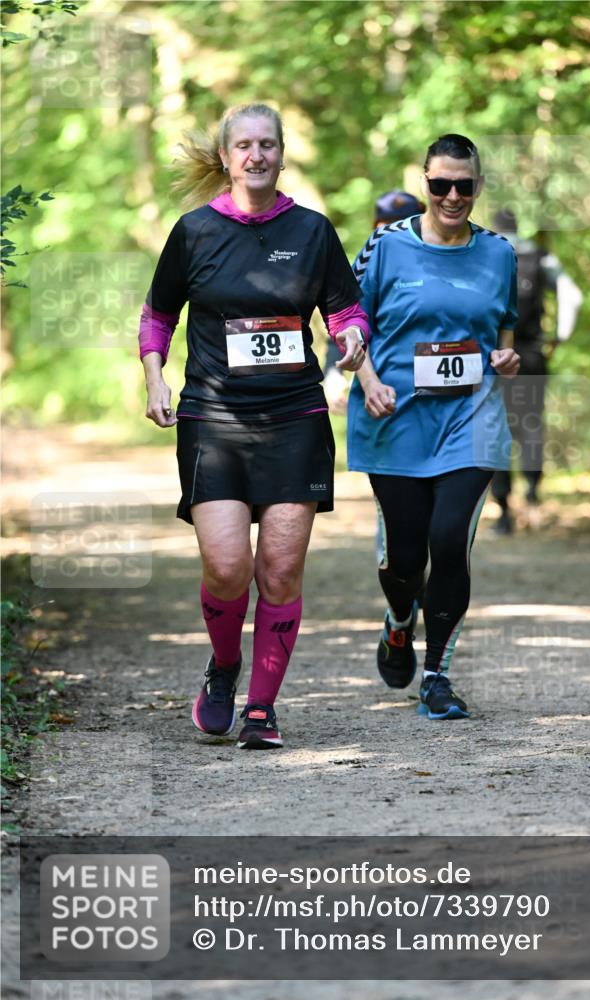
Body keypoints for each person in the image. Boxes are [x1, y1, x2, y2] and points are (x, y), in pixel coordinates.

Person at [139, 103, 368, 749]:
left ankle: (261, 710)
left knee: (279, 570)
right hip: (212, 417)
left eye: (266, 143)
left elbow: (346, 310)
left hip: (294, 417)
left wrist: (351, 342)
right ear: (226, 155)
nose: (256, 155)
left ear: (281, 152)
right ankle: (224, 666)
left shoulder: (312, 230)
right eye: (244, 144)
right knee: (226, 566)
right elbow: (157, 316)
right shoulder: (193, 233)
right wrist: (155, 377)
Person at [347, 133, 520, 720]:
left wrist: (507, 356)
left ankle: (438, 675)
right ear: (424, 182)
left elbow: (507, 325)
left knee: (450, 543)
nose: (452, 196)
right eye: (440, 184)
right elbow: (349, 320)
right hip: (394, 419)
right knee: (404, 560)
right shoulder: (385, 245)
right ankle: (399, 621)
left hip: (471, 419)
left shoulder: (499, 252)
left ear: (477, 187)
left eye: (463, 186)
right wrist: (367, 377)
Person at [490, 209, 583, 533]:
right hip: (531, 353)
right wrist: (559, 336)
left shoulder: (486, 252)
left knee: (496, 426)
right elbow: (573, 296)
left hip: (495, 356)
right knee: (530, 422)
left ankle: (503, 511)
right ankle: (531, 490)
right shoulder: (539, 255)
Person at [322, 190, 425, 414]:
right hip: (384, 393)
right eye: (384, 225)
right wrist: (333, 372)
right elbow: (344, 320)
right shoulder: (366, 266)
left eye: (401, 225)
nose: (391, 233)